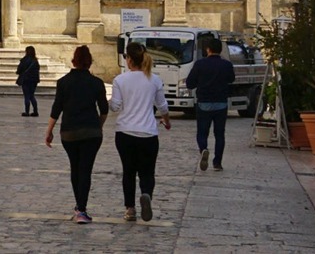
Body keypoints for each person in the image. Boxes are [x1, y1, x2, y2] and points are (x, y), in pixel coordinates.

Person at [45, 45, 109, 224]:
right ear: (90, 62)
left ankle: (78, 208)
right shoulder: (97, 83)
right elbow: (104, 109)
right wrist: (99, 126)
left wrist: (49, 131)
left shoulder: (63, 82)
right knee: (85, 169)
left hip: (69, 132)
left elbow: (56, 109)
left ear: (74, 60)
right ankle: (82, 208)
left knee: (75, 168)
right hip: (91, 132)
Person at [110, 41, 171, 222]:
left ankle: (130, 209)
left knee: (128, 171)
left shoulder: (120, 80)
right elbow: (162, 106)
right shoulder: (154, 79)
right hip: (148, 133)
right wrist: (166, 122)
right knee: (147, 171)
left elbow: (115, 106)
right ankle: (146, 195)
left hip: (125, 132)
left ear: (128, 59)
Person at [185, 36, 236, 171]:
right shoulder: (226, 65)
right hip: (221, 103)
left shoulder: (200, 64)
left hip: (204, 103)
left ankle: (203, 149)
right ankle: (217, 162)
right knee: (219, 134)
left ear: (207, 49)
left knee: (202, 132)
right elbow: (231, 79)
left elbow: (190, 83)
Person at [16, 46, 41, 117]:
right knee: (32, 95)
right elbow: (37, 71)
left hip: (26, 80)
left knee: (27, 96)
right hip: (34, 81)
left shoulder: (24, 60)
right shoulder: (35, 61)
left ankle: (27, 112)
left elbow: (19, 70)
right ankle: (35, 111)